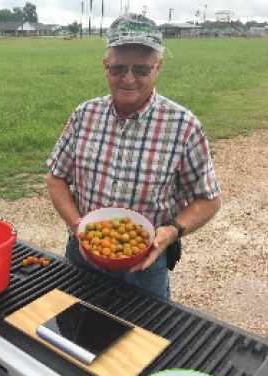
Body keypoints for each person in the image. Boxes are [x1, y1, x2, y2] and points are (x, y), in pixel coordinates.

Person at [45, 13, 222, 298]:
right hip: (82, 256)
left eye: (141, 69)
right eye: (118, 68)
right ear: (105, 66)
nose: (128, 79)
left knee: (143, 340)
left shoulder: (184, 126)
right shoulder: (84, 116)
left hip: (145, 267)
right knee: (73, 331)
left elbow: (209, 199)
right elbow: (56, 177)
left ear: (158, 67)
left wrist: (170, 231)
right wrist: (79, 226)